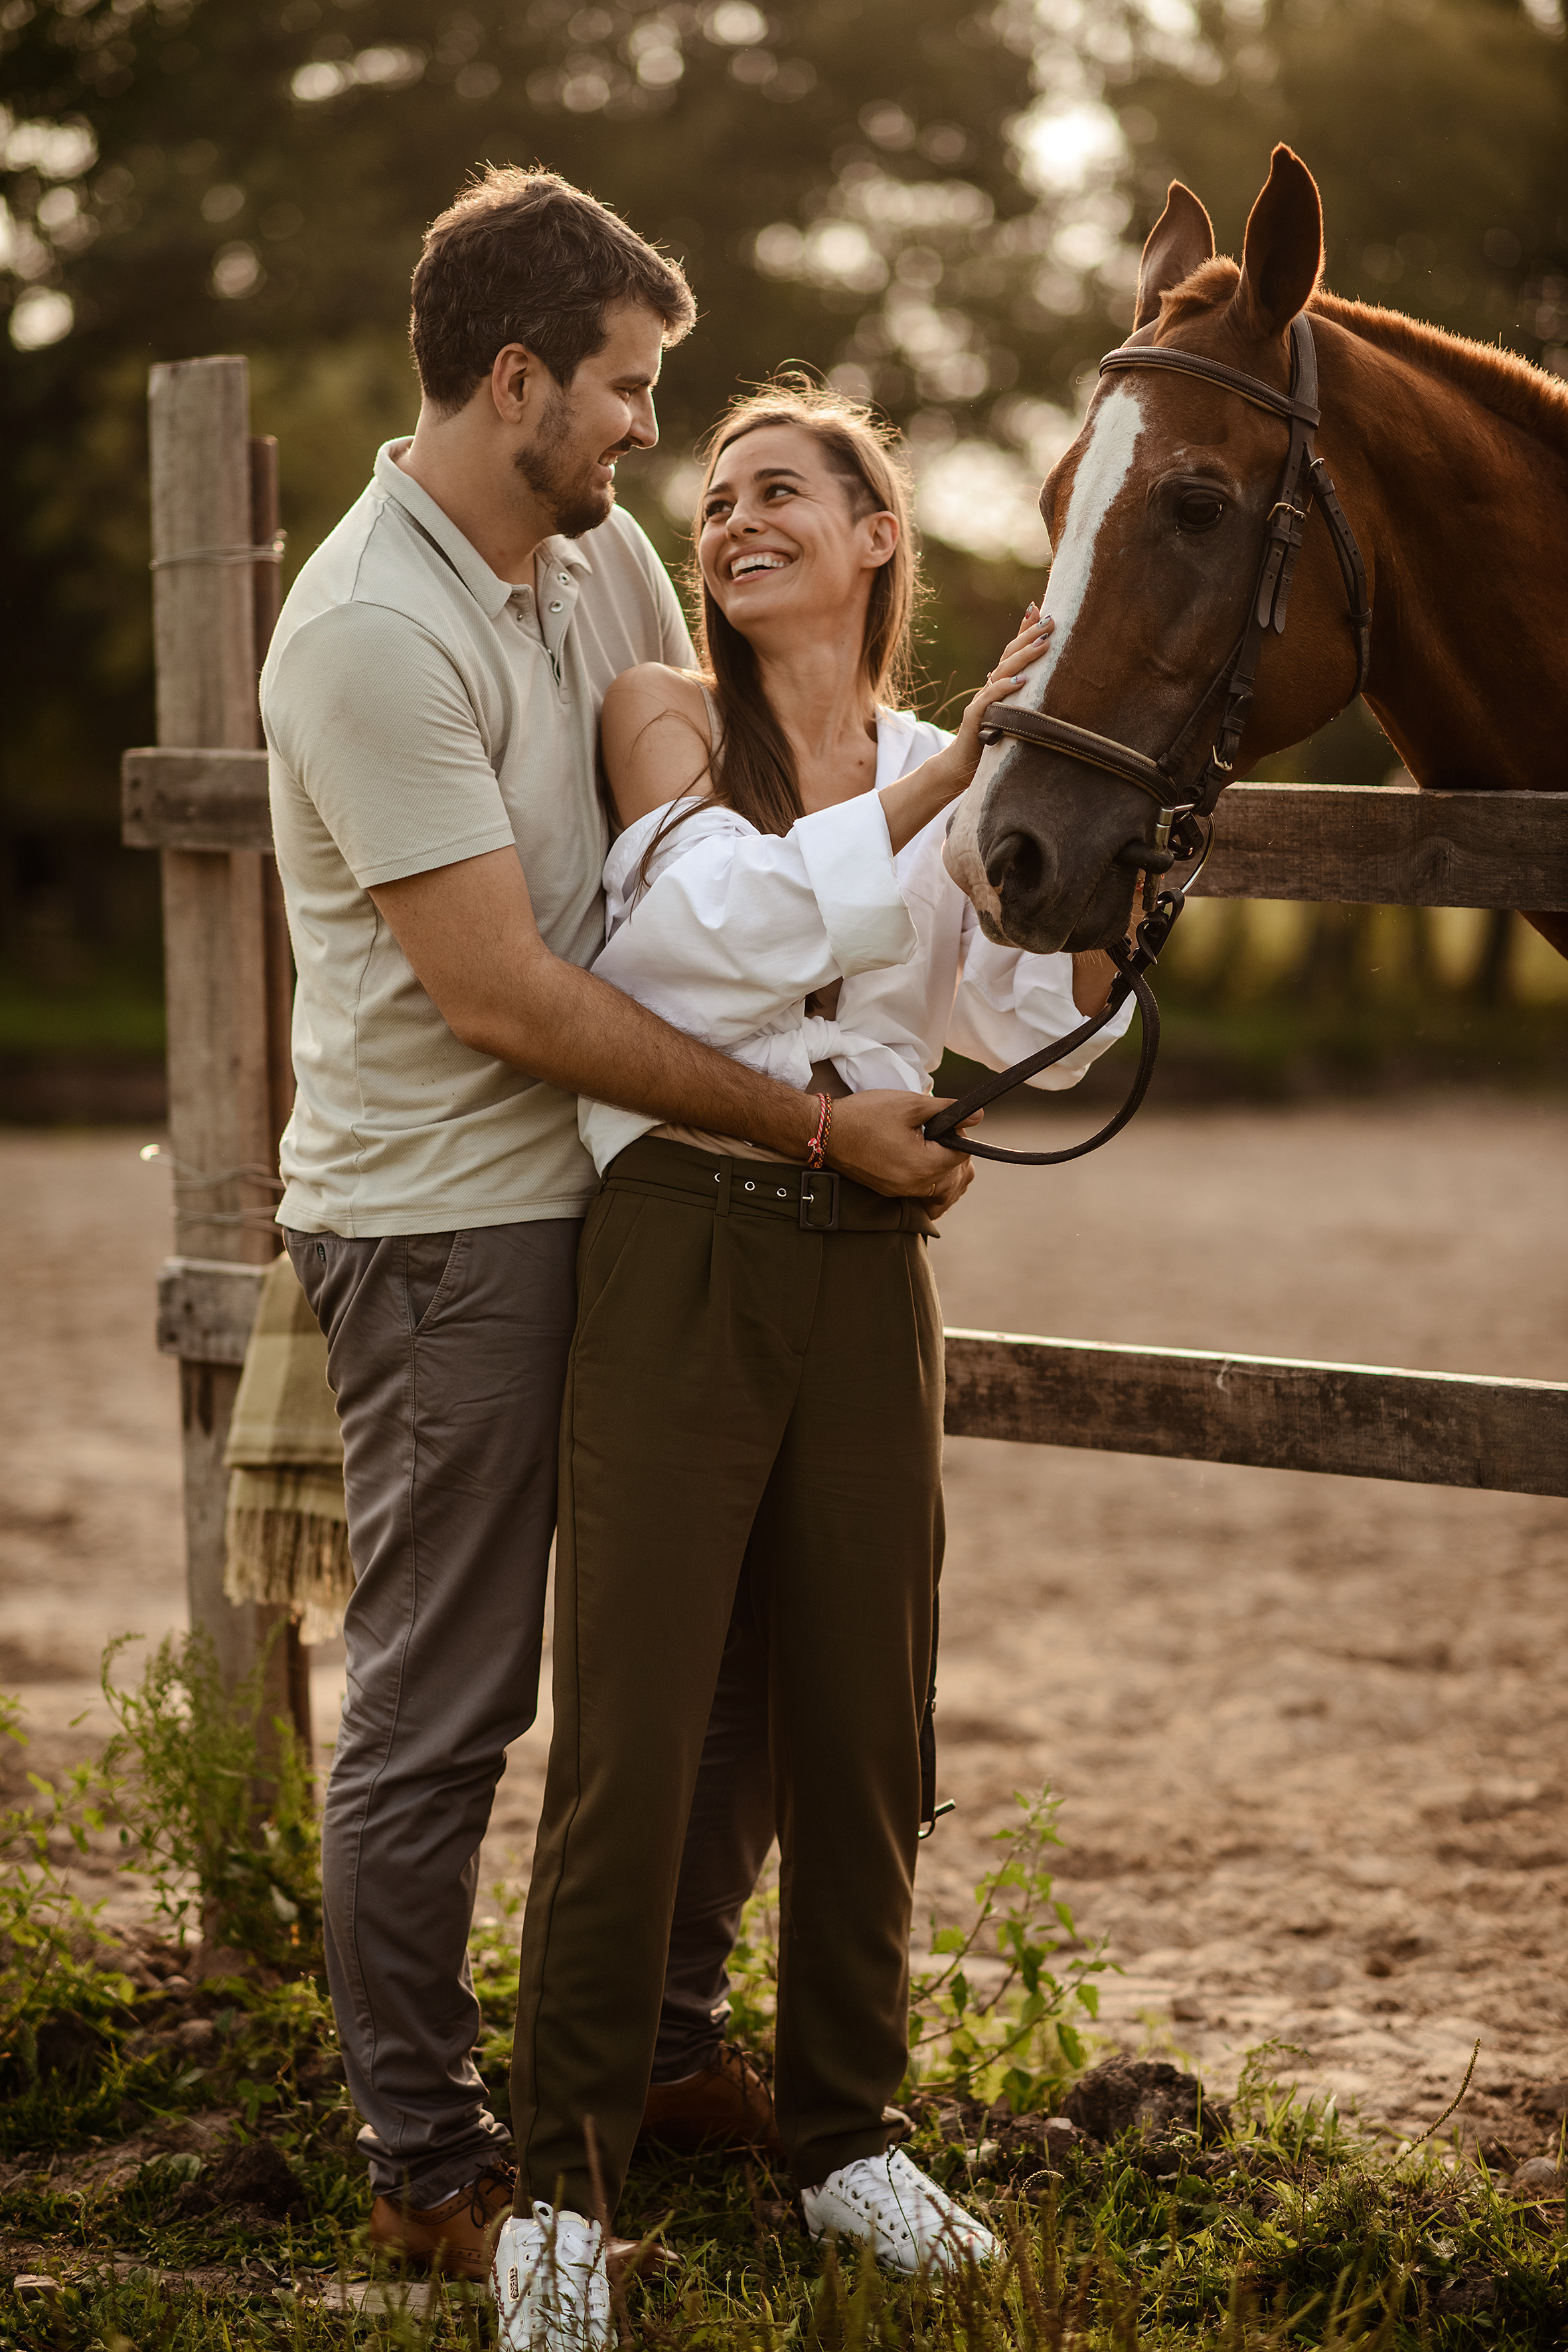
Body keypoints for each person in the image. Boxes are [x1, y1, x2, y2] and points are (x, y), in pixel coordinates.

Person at [262, 173, 971, 2280]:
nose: (653, 433)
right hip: (448, 1218)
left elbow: (727, 827)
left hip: (614, 1189)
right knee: (450, 1699)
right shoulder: (372, 631)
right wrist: (812, 1122)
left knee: (739, 1671)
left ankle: (666, 2051)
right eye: (630, 391)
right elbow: (501, 989)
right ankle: (430, 2165)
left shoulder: (589, 561)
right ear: (516, 383)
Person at [493, 383, 1134, 2348]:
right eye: (715, 499)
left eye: (783, 489)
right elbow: (691, 943)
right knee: (629, 1732)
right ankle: (557, 2194)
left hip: (871, 1271)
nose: (735, 519)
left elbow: (1026, 1016)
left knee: (865, 1727)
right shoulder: (669, 730)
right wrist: (948, 798)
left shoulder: (957, 763)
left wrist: (1103, 914)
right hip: (685, 1245)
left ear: (875, 536)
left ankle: (847, 2136)